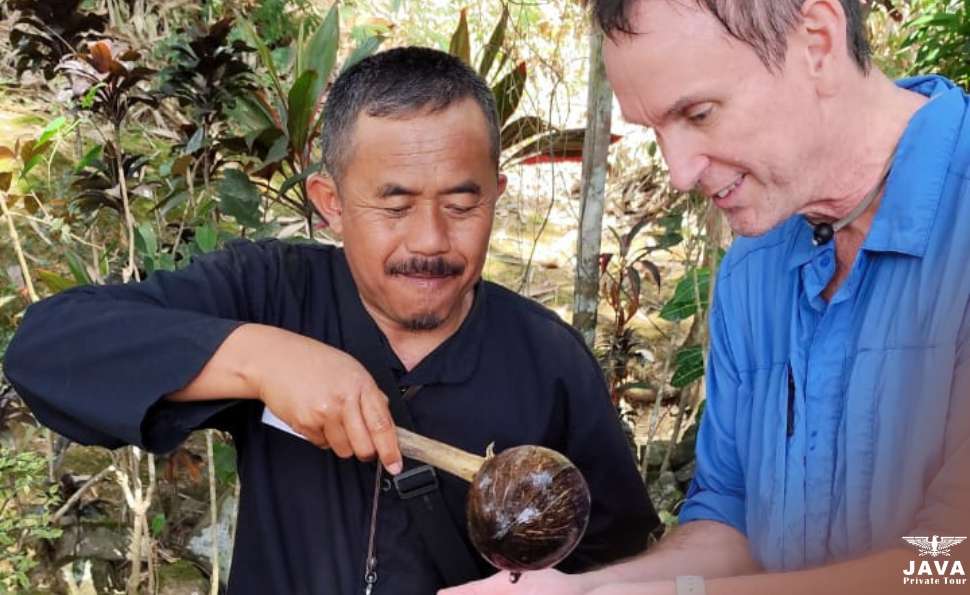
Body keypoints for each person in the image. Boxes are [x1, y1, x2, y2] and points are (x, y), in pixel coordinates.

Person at [3, 47, 659, 594]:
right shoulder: (271, 293)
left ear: (495, 194)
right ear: (332, 204)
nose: (429, 240)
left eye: (462, 204)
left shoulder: (549, 360)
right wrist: (260, 358)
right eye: (394, 205)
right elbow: (46, 347)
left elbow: (618, 556)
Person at [444, 1, 970, 594]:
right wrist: (582, 589)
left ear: (817, 42)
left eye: (698, 113)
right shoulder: (755, 265)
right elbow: (732, 523)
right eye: (657, 132)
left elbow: (948, 562)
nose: (678, 171)